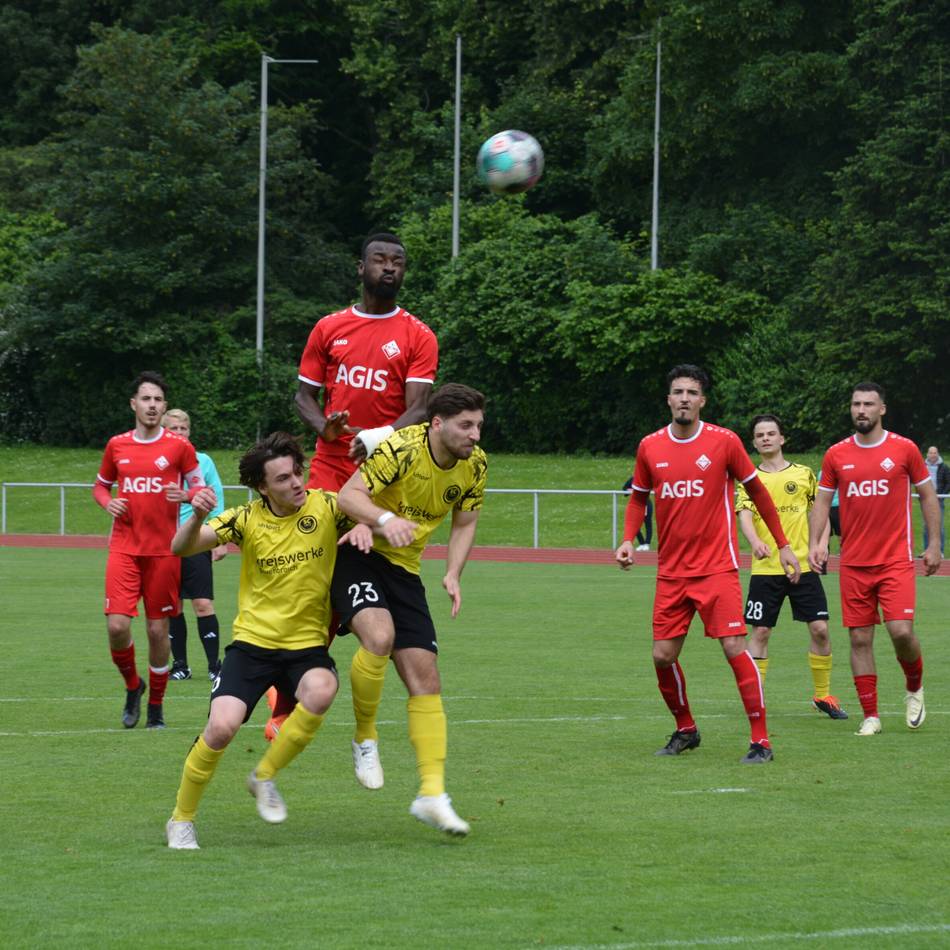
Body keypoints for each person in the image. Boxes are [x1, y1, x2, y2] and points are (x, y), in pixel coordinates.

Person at [265, 231, 439, 757]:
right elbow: (304, 396)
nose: (389, 267)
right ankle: (285, 695)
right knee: (311, 573)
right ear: (360, 268)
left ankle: (359, 704)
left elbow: (420, 408)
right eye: (379, 260)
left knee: (366, 579)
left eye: (398, 262)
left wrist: (376, 439)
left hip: (385, 480)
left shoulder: (417, 335)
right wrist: (327, 428)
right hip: (327, 470)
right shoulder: (329, 327)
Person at [164, 432, 373, 850]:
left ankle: (263, 776)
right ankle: (181, 820)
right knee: (221, 728)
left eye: (297, 473)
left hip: (306, 648)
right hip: (252, 646)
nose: (296, 483)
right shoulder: (245, 519)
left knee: (323, 689)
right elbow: (180, 547)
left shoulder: (327, 506)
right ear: (262, 487)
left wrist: (367, 524)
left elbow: (366, 508)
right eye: (282, 479)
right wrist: (195, 517)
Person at [615, 365, 801, 764]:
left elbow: (758, 493)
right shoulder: (650, 446)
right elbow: (639, 498)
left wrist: (783, 545)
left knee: (734, 646)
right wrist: (628, 538)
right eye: (678, 392)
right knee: (662, 656)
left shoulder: (724, 441)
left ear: (702, 400)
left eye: (691, 392)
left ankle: (761, 741)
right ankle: (686, 729)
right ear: (669, 399)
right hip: (672, 572)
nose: (684, 398)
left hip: (717, 567)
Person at [332, 383, 487, 835]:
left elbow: (466, 521)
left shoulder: (476, 464)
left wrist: (453, 572)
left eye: (479, 425)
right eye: (466, 425)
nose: (475, 435)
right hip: (355, 549)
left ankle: (432, 796)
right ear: (437, 423)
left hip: (403, 569)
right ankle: (365, 737)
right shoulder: (402, 447)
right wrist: (384, 519)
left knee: (427, 679)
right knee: (379, 637)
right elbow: (348, 496)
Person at [809, 382, 942, 736]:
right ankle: (871, 715)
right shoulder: (836, 454)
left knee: (901, 631)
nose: (861, 410)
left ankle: (914, 686)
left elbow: (928, 496)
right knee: (859, 639)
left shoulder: (904, 449)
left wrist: (934, 545)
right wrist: (815, 543)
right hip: (853, 563)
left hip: (895, 560)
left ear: (882, 409)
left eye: (868, 404)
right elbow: (821, 502)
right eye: (856, 404)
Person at [92, 372, 211, 730]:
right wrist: (108, 503)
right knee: (117, 626)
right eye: (146, 399)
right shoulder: (117, 445)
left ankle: (156, 705)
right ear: (134, 404)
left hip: (164, 552)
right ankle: (133, 686)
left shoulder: (179, 447)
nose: (152, 405)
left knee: (158, 632)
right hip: (124, 549)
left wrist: (187, 495)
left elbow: (202, 490)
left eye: (158, 399)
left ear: (164, 405)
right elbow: (100, 487)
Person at [735, 414, 847, 720]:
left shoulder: (804, 474)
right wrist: (755, 541)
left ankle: (823, 695)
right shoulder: (749, 479)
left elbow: (819, 512)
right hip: (766, 568)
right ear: (754, 442)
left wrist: (821, 544)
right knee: (760, 631)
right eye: (760, 435)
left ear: (782, 438)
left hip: (804, 566)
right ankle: (756, 698)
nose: (766, 438)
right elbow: (744, 514)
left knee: (820, 629)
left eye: (771, 433)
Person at [161, 408, 227, 683]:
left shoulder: (203, 461)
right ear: (164, 431)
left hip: (195, 541)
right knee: (172, 606)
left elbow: (216, 496)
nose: (179, 433)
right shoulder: (157, 462)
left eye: (183, 429)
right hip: (163, 543)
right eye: (173, 429)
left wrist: (220, 538)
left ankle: (214, 666)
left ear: (189, 432)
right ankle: (181, 666)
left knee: (202, 603)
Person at [921, 445, 949, 556]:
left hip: (938, 499)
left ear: (938, 454)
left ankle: (940, 551)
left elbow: (949, 482)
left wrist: (942, 495)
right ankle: (926, 550)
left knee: (939, 526)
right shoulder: (922, 466)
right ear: (927, 454)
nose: (933, 455)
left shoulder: (944, 467)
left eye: (935, 453)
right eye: (931, 453)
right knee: (926, 526)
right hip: (925, 500)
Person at [621, 476, 653, 550]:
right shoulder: (633, 479)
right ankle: (642, 543)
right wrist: (632, 490)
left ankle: (647, 543)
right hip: (636, 504)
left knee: (648, 522)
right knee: (634, 524)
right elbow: (624, 490)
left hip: (647, 503)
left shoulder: (647, 478)